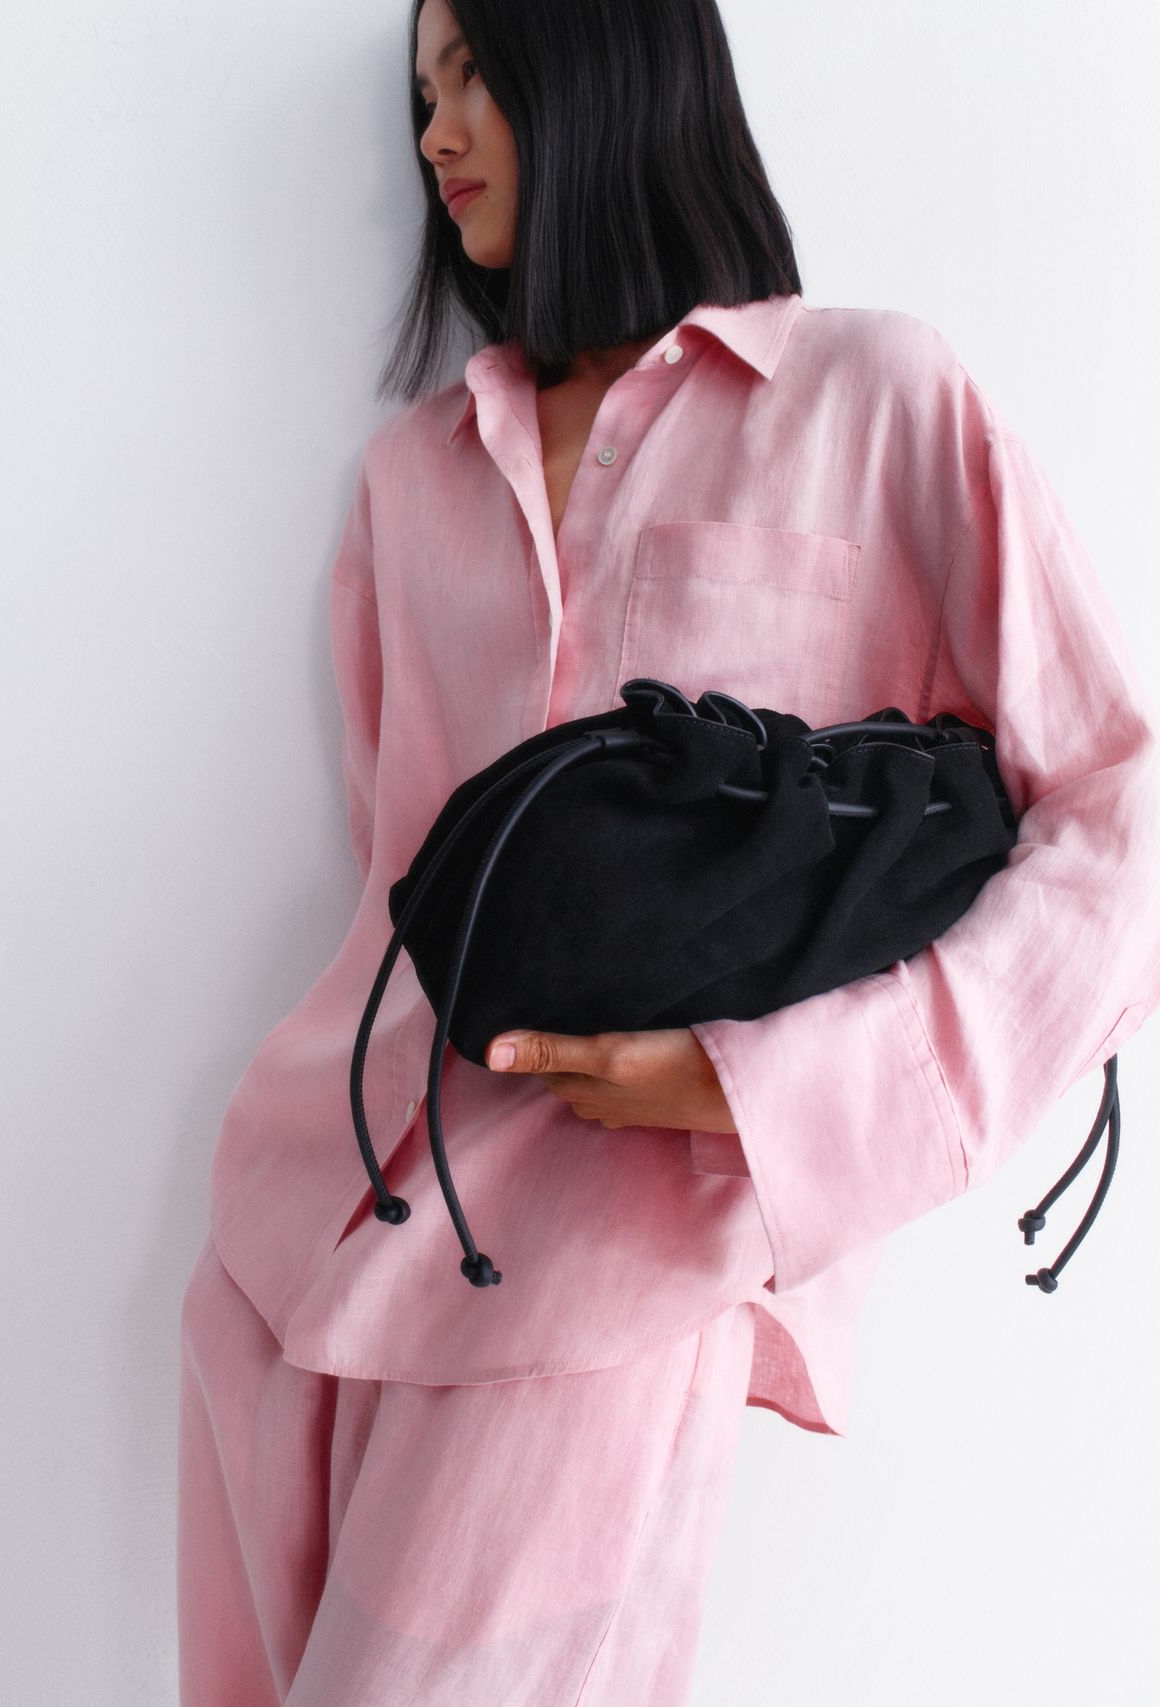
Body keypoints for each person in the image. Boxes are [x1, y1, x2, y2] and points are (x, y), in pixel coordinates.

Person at [175, 2, 1160, 1702]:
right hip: (297, 1237)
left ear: (610, 60)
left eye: (478, 70)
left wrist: (771, 1097)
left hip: (621, 1266)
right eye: (422, 93)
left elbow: (1121, 821)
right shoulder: (409, 482)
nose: (436, 130)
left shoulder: (873, 397)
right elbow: (401, 875)